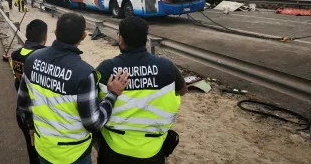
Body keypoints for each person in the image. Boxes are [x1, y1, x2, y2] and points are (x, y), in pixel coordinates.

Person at [17, 13, 129, 164]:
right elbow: (93, 123)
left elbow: (23, 104)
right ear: (83, 36)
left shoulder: (32, 60)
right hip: (75, 154)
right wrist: (113, 94)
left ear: (55, 33)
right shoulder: (84, 74)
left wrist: (31, 126)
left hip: (44, 147)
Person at [96, 16, 186, 164]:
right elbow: (182, 91)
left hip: (114, 147)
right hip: (153, 148)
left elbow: (90, 103)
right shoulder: (167, 67)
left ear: (121, 39)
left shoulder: (106, 68)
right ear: (146, 38)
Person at [12, 19, 48, 164]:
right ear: (44, 36)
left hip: (21, 112)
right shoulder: (42, 58)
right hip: (38, 115)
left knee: (31, 149)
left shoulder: (15, 54)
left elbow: (16, 82)